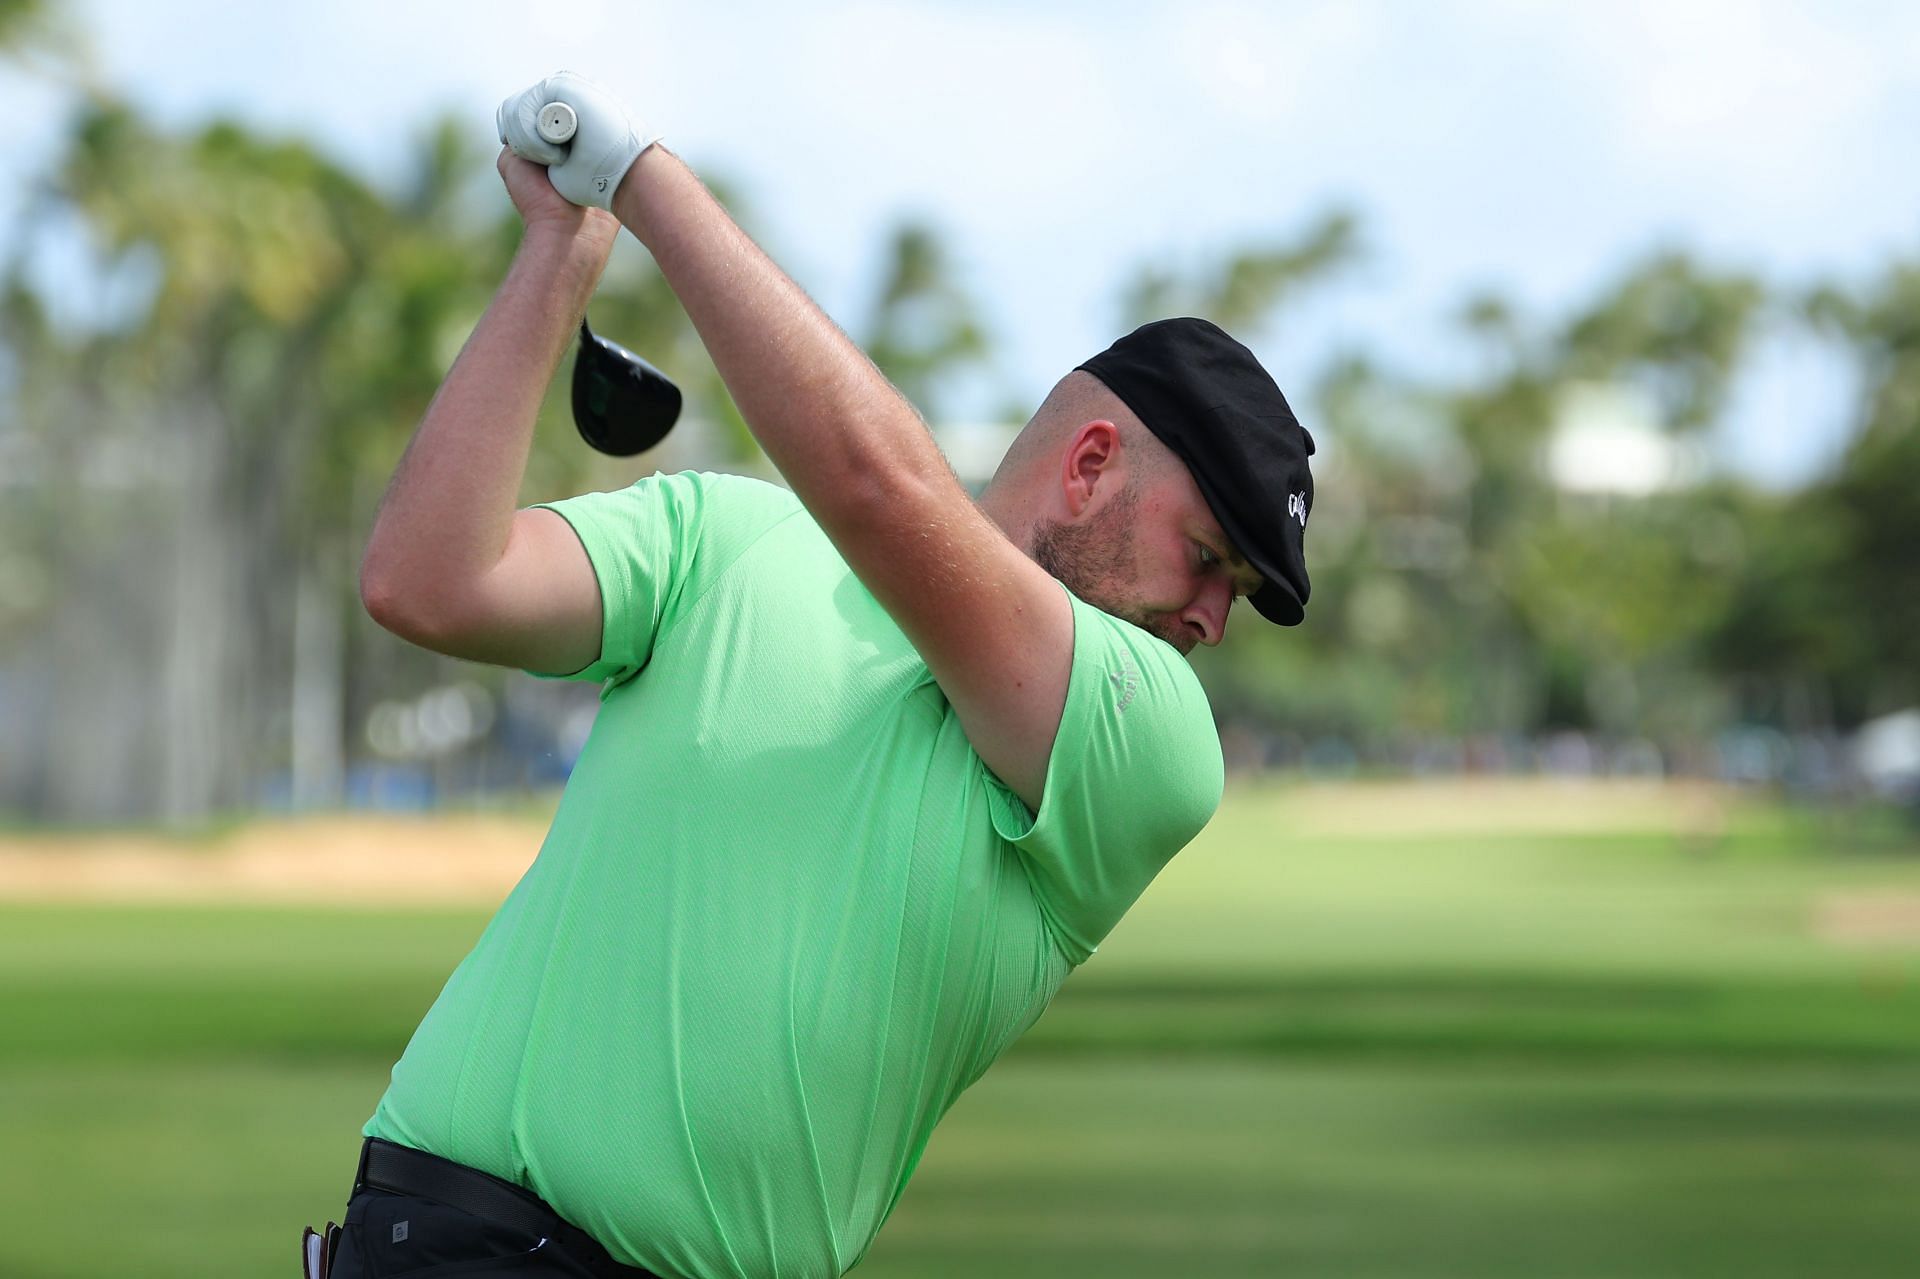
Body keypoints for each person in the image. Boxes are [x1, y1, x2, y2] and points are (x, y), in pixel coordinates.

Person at [322, 71, 1315, 1279]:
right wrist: (561, 255)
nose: (1214, 619)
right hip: (428, 1231)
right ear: (1093, 460)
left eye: (1240, 597)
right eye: (1207, 559)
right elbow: (427, 580)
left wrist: (636, 173)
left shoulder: (1151, 742)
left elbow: (873, 485)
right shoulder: (723, 535)